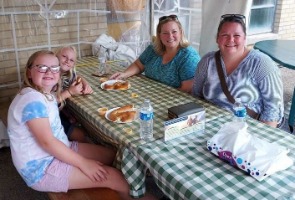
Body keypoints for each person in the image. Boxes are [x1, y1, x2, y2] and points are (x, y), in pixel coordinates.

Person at [7, 50, 155, 200]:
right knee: (117, 177)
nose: (49, 72)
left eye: (54, 68)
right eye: (42, 67)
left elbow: (55, 101)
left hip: (59, 149)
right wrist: (84, 164)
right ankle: (132, 193)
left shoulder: (43, 93)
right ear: (29, 72)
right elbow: (48, 143)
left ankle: (118, 190)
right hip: (42, 168)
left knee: (113, 154)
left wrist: (74, 85)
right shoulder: (32, 100)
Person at [192, 14, 284, 128]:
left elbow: (273, 110)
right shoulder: (207, 61)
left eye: (237, 35)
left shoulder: (261, 63)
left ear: (245, 38)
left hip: (246, 130)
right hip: (209, 126)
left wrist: (260, 139)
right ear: (217, 38)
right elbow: (196, 95)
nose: (231, 40)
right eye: (225, 35)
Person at [110, 14, 201, 93]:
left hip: (174, 103)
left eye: (174, 32)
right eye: (165, 33)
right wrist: (124, 74)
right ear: (159, 35)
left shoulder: (188, 56)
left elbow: (187, 90)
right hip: (148, 95)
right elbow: (138, 65)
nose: (170, 36)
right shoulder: (153, 49)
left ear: (181, 33)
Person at [55, 46, 93, 142]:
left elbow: (78, 76)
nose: (67, 61)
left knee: (85, 129)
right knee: (83, 137)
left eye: (71, 60)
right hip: (50, 118)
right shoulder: (51, 75)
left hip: (61, 112)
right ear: (56, 56)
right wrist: (70, 92)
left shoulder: (66, 75)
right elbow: (48, 103)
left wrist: (86, 84)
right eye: (64, 56)